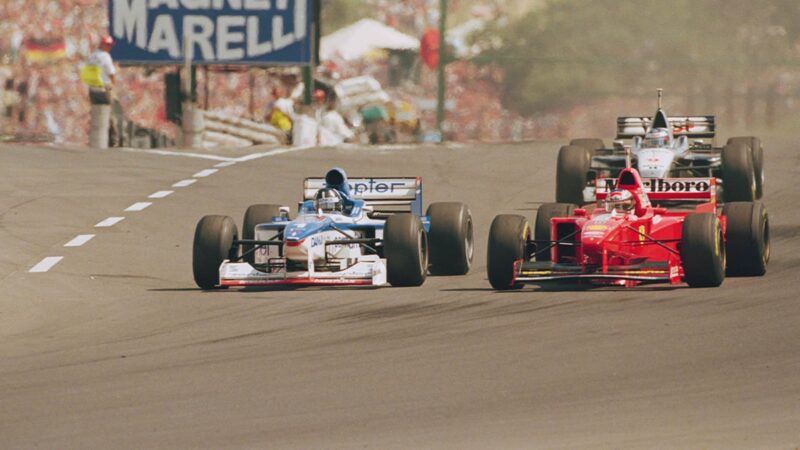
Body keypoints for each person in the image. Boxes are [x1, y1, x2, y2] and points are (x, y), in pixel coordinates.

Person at [82, 36, 119, 145]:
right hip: (104, 88)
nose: (109, 47)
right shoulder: (105, 56)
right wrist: (112, 85)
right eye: (108, 45)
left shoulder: (92, 56)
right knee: (110, 114)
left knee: (96, 112)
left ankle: (94, 138)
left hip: (93, 88)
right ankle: (113, 140)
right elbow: (111, 73)